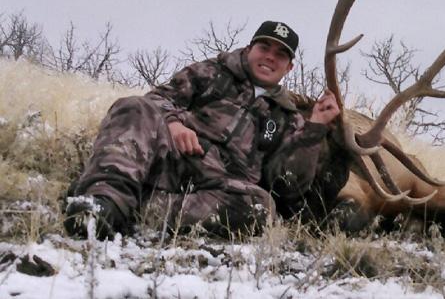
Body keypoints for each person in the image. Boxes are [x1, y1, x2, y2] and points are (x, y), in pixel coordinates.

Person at [63, 21, 340, 239]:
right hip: (171, 158)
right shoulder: (212, 72)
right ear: (249, 49)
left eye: (280, 54)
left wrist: (315, 127)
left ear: (289, 67)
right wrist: (174, 123)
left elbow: (287, 186)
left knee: (260, 207)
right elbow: (158, 98)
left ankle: (132, 212)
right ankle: (101, 204)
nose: (270, 57)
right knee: (134, 107)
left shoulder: (288, 118)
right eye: (264, 47)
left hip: (217, 187)